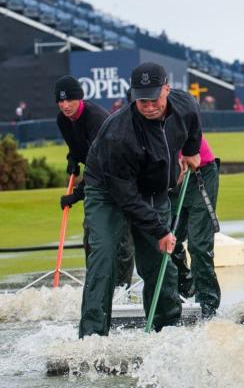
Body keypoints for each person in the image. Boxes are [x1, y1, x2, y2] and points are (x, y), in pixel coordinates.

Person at [79, 62, 202, 337]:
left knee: (160, 263)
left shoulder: (185, 105)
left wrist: (191, 151)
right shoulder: (118, 133)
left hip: (154, 191)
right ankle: (92, 338)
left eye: (153, 98)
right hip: (108, 192)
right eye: (141, 100)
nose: (147, 106)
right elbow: (125, 197)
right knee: (105, 258)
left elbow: (193, 126)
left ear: (167, 90)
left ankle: (166, 331)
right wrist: (159, 230)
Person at [53, 76, 134, 287]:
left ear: (79, 98)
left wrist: (77, 195)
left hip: (120, 176)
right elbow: (80, 148)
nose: (65, 105)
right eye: (61, 101)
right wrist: (73, 158)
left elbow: (100, 164)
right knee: (92, 234)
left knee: (121, 238)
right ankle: (98, 288)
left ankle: (122, 290)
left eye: (69, 100)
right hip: (98, 175)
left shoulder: (96, 118)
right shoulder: (63, 120)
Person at [169, 135, 221, 318]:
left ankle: (207, 304)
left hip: (200, 173)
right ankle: (184, 286)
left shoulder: (178, 111)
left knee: (199, 244)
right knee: (167, 239)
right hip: (171, 178)